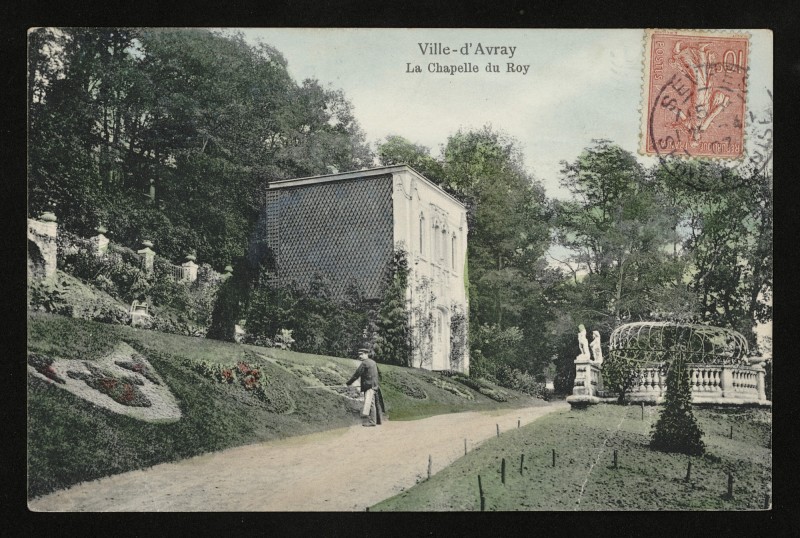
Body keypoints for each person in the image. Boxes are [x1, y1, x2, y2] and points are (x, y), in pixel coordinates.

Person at [346, 347, 381, 427]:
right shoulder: (373, 362)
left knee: (370, 403)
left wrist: (348, 383)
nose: (360, 356)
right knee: (373, 403)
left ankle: (372, 422)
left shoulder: (365, 363)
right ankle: (375, 420)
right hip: (374, 385)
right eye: (359, 354)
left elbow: (356, 375)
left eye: (361, 354)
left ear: (366, 354)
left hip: (369, 386)